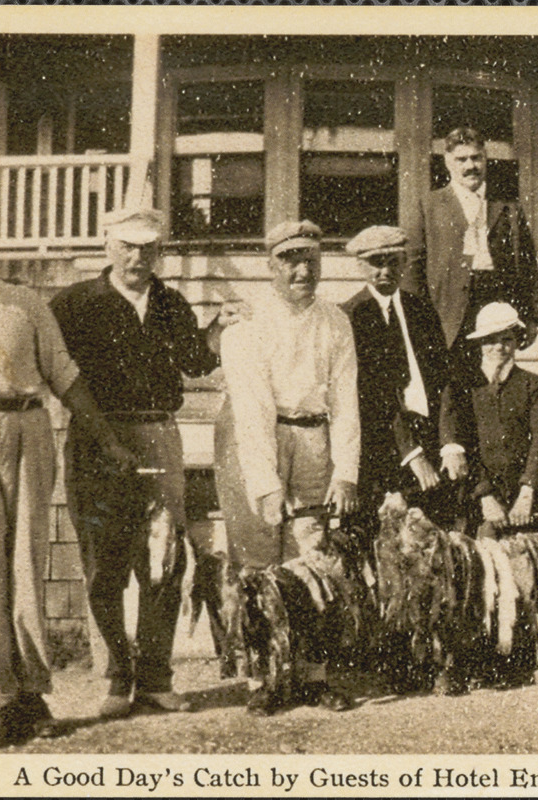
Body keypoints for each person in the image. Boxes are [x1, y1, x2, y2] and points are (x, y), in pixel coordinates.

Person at [0, 196, 136, 746]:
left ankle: (32, 693)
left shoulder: (27, 303)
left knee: (25, 560)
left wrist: (109, 441)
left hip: (28, 429)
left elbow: (65, 374)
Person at [51, 206, 237, 720]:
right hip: (96, 437)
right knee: (103, 563)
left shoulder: (171, 303)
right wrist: (100, 433)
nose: (137, 257)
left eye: (148, 248)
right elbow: (55, 373)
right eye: (127, 246)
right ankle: (117, 676)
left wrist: (220, 326)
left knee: (163, 558)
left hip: (158, 434)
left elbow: (197, 362)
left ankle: (155, 678)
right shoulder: (73, 304)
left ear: (159, 252)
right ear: (107, 244)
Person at [214, 219, 359, 715]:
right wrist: (265, 484)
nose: (301, 270)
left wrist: (346, 470)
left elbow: (345, 398)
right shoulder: (247, 325)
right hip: (257, 437)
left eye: (310, 260)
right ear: (269, 266)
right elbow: (252, 410)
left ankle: (314, 675)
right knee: (258, 562)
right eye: (289, 260)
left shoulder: (336, 320)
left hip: (313, 437)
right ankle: (264, 680)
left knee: (313, 556)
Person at [341, 225, 455, 529]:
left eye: (393, 261)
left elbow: (442, 380)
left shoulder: (421, 310)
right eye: (376, 262)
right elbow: (372, 394)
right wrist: (411, 453)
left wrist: (450, 443)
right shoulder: (351, 316)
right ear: (360, 266)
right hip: (382, 447)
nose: (385, 271)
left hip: (428, 439)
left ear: (405, 263)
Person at [404, 127, 538, 371]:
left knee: (494, 377)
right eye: (461, 159)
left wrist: (531, 316)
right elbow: (413, 264)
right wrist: (416, 319)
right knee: (451, 386)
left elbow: (527, 265)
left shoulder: (507, 206)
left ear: (485, 159)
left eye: (476, 158)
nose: (470, 166)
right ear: (448, 163)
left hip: (496, 306)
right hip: (447, 310)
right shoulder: (429, 205)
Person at [440, 301, 538, 533]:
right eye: (490, 340)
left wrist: (527, 493)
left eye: (506, 339)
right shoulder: (462, 386)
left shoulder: (531, 385)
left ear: (516, 341)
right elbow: (458, 443)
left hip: (528, 496)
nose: (499, 347)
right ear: (479, 343)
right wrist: (484, 495)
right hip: (477, 496)